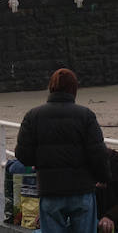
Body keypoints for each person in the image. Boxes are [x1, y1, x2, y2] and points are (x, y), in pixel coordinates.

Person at [15, 68, 110, 233]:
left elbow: (22, 154)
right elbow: (98, 154)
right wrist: (103, 177)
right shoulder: (86, 115)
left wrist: (41, 162)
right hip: (82, 190)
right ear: (74, 89)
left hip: (50, 189)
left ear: (51, 88)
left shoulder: (33, 115)